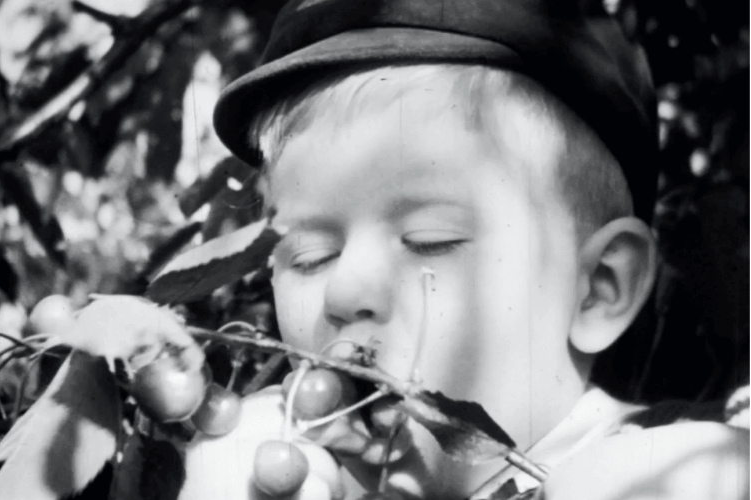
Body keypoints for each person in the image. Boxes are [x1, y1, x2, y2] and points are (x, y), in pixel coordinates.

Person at [179, 0, 750, 498]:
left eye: (431, 242)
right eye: (309, 256)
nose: (347, 289)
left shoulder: (691, 470)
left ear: (600, 287)